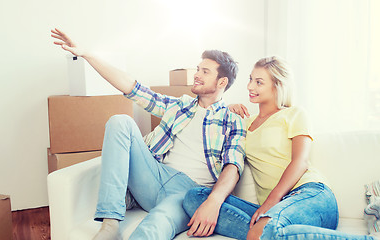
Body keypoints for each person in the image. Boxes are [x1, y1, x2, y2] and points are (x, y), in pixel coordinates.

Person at [51, 28, 246, 240]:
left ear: (222, 82)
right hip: (153, 175)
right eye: (198, 69)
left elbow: (233, 167)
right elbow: (131, 87)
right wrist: (87, 55)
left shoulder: (232, 119)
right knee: (120, 122)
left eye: (205, 72)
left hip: (188, 193)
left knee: (154, 227)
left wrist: (213, 201)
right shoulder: (180, 105)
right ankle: (110, 224)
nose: (197, 75)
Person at [183, 56, 377, 240]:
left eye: (259, 82)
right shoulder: (243, 123)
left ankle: (264, 230)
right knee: (195, 197)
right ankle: (267, 232)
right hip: (276, 211)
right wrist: (227, 109)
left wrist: (270, 204)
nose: (250, 86)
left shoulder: (294, 114)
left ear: (277, 86)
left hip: (310, 195)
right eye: (250, 79)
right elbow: (214, 129)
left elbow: (300, 162)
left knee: (265, 227)